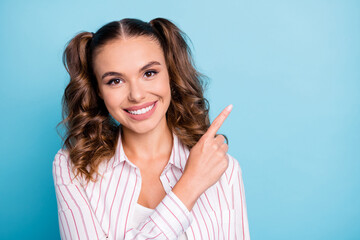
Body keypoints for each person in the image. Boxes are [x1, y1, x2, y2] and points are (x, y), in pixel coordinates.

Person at [53, 17, 250, 240]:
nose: (136, 95)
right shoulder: (73, 167)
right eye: (115, 81)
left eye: (149, 73)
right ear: (98, 90)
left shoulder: (225, 169)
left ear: (170, 75)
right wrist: (189, 185)